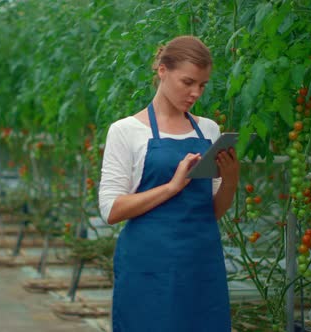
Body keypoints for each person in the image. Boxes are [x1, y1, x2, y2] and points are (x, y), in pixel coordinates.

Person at [99, 36, 239, 331]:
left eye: (202, 85)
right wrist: (172, 187)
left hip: (201, 261)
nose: (195, 93)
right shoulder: (126, 131)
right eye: (187, 82)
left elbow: (212, 211)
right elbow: (110, 210)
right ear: (162, 71)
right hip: (149, 264)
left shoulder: (209, 129)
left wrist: (230, 179)